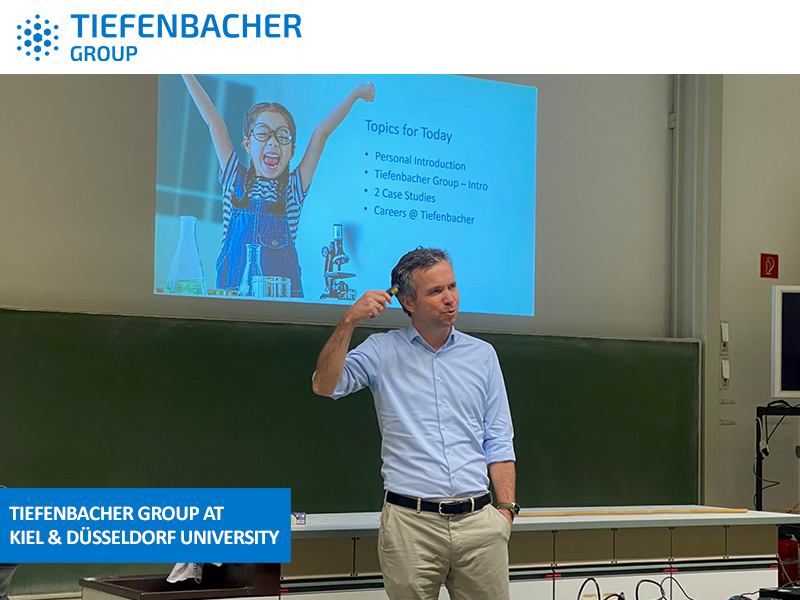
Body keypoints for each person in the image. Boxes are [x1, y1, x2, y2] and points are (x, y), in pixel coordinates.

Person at [312, 248, 518, 600]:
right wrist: (348, 322)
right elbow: (324, 385)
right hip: (411, 526)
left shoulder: (483, 355)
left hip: (480, 524)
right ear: (407, 302)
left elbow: (498, 438)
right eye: (435, 292)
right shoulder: (381, 350)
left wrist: (506, 512)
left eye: (452, 286)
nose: (450, 299)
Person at [181, 75, 375, 297]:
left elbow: (321, 133)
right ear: (247, 143)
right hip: (232, 306)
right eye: (263, 133)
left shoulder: (293, 189)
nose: (272, 141)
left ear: (291, 150)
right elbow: (214, 122)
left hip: (281, 308)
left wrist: (356, 93)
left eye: (283, 136)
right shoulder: (234, 178)